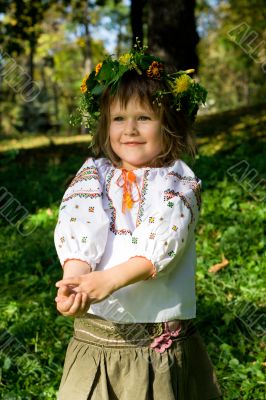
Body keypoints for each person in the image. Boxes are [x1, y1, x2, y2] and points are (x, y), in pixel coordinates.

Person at [54, 46, 222, 399]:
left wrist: (109, 279)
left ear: (169, 124)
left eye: (144, 118)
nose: (130, 129)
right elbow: (80, 224)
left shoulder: (177, 181)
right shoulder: (93, 175)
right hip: (97, 338)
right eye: (118, 118)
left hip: (153, 343)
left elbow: (163, 243)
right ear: (104, 124)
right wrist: (75, 281)